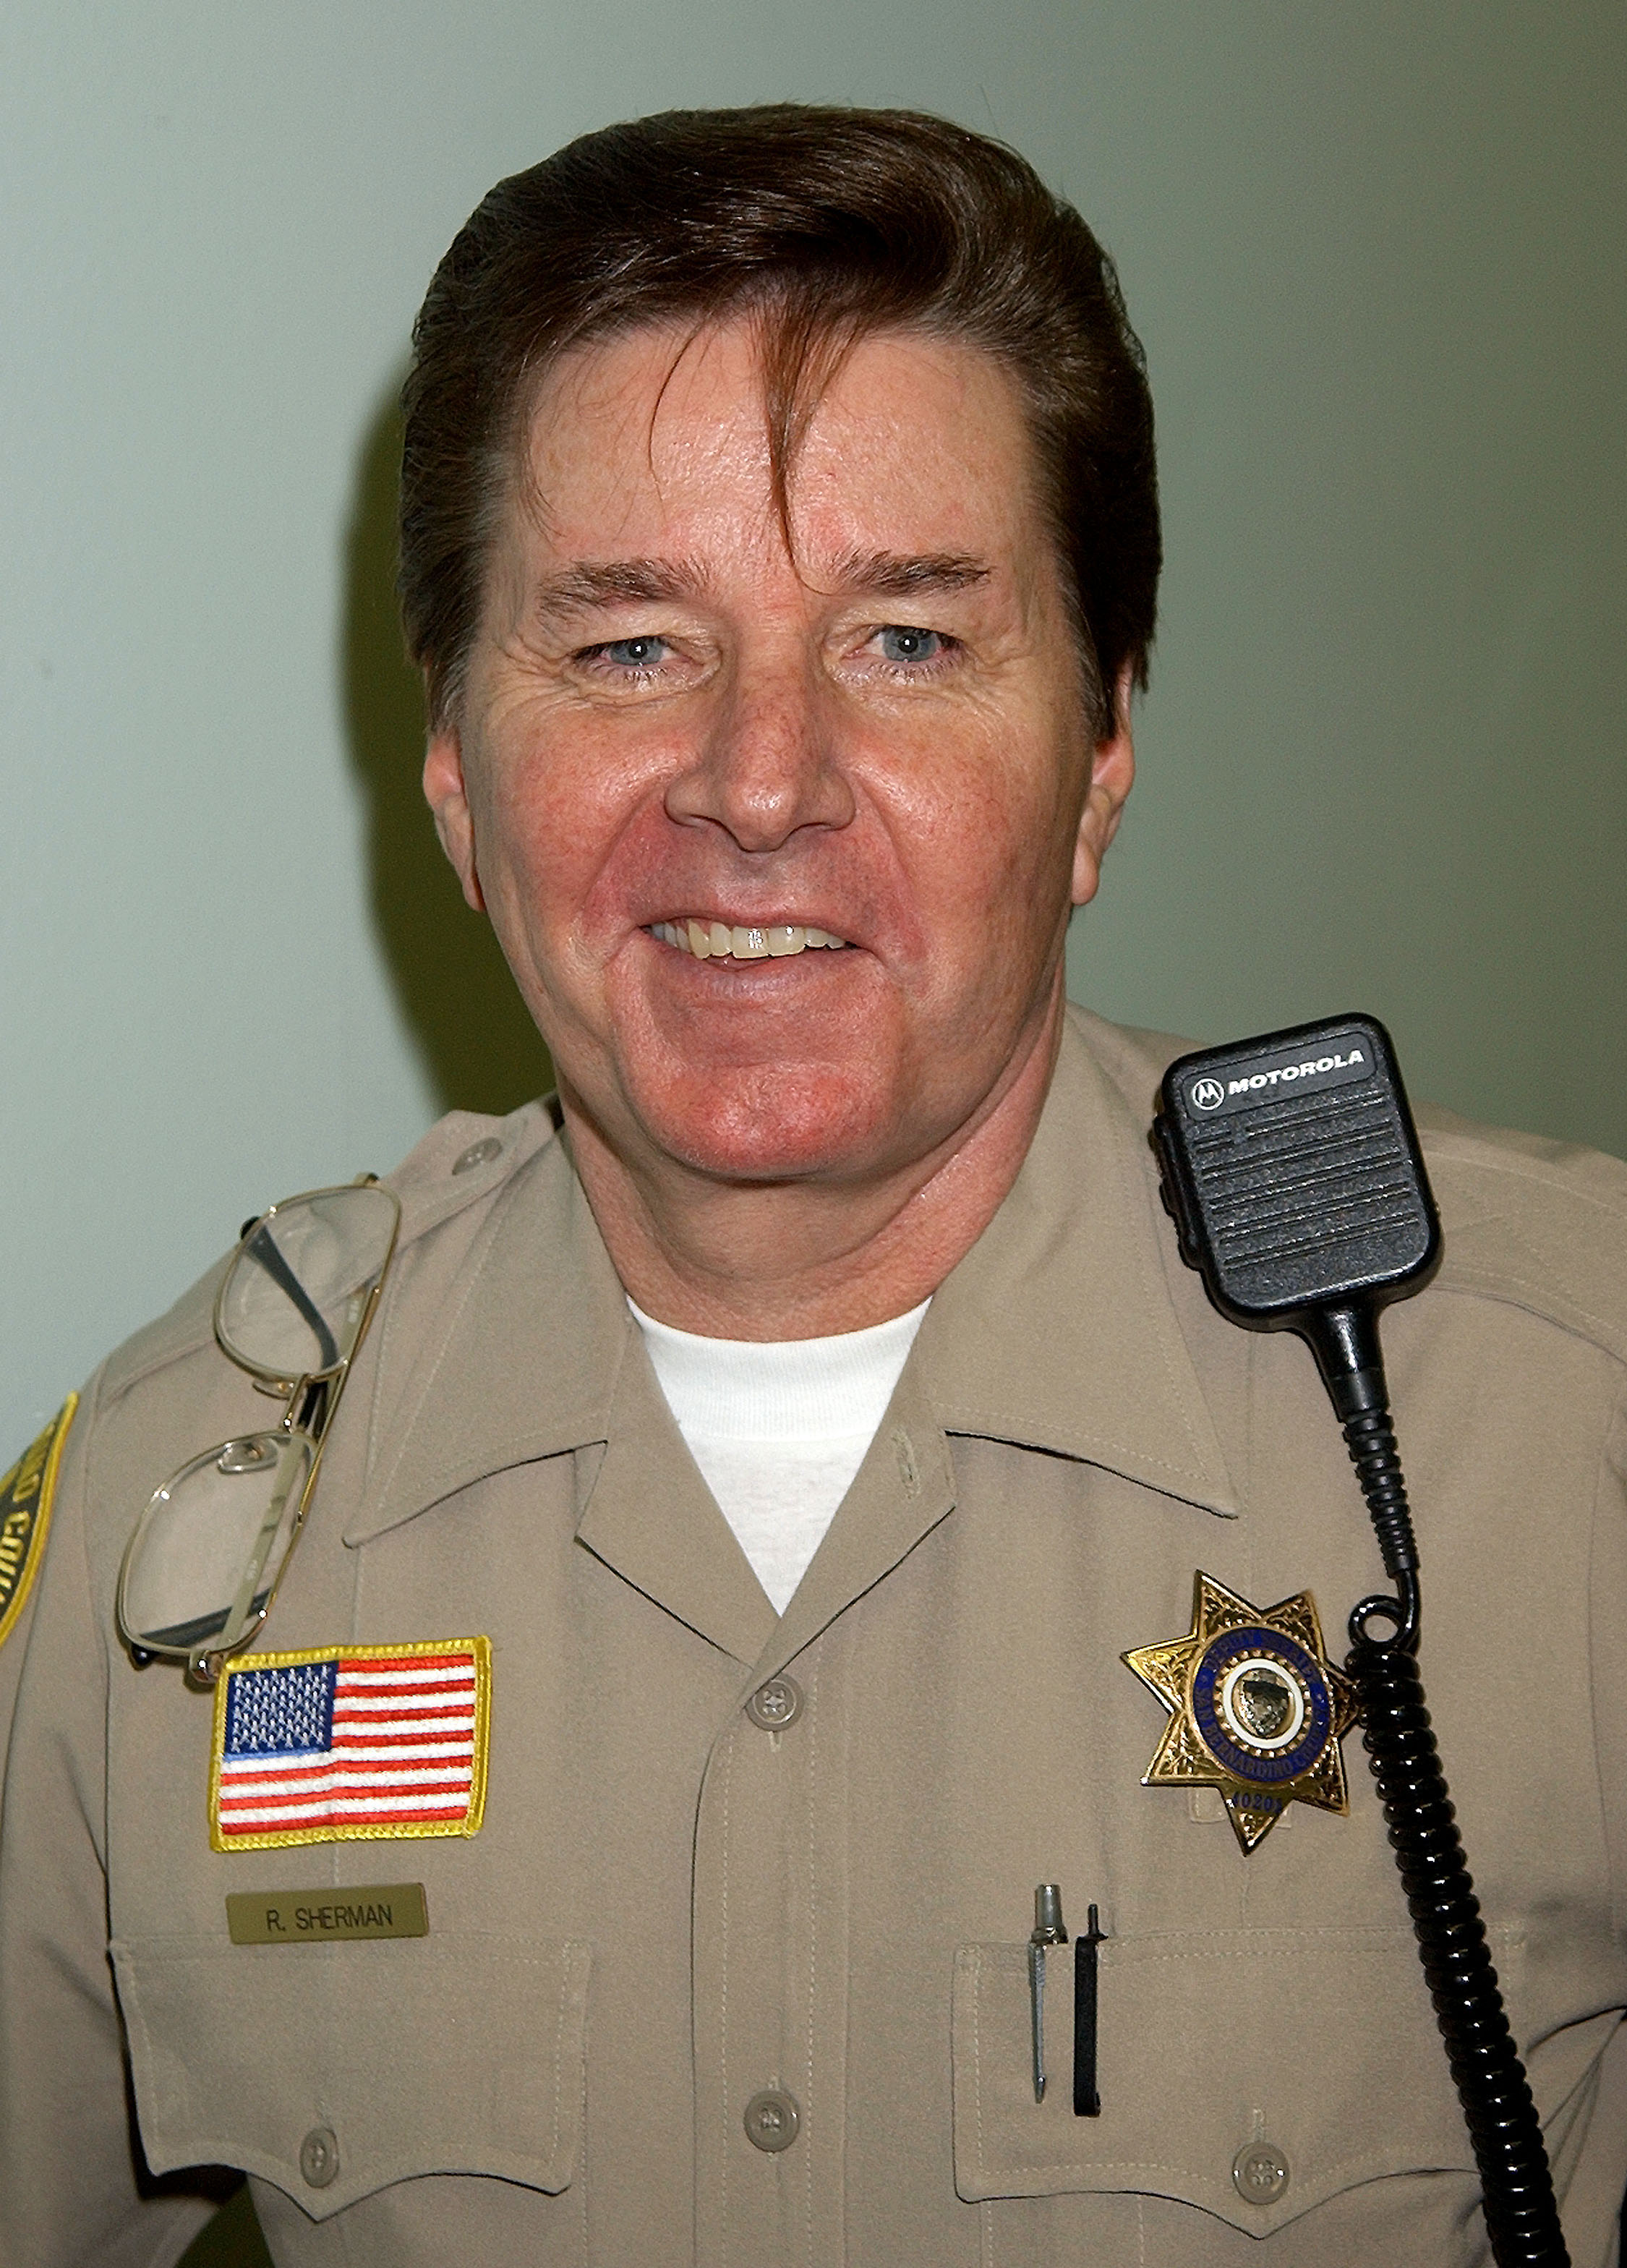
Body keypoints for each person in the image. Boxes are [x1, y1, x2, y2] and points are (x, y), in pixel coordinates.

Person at [1, 104, 1623, 2268]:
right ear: (458, 777)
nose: (758, 784)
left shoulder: (1557, 1426)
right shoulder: (162, 1526)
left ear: (1101, 756)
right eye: (628, 644)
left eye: (908, 643)